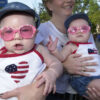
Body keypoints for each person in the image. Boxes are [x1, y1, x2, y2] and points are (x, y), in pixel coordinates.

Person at [35, 0, 100, 100]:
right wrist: (64, 66)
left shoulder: (85, 31)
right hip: (55, 94)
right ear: (49, 5)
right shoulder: (41, 31)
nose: (69, 0)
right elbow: (33, 70)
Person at [0, 2, 63, 100]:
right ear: (1, 35)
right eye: (8, 31)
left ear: (35, 34)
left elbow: (56, 63)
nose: (17, 37)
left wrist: (52, 73)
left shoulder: (38, 49)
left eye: (25, 30)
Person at [47, 13, 100, 97]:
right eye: (73, 30)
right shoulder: (71, 46)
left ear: (90, 32)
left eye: (84, 28)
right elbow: (61, 57)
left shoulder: (91, 44)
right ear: (68, 35)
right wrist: (54, 51)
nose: (79, 31)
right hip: (82, 79)